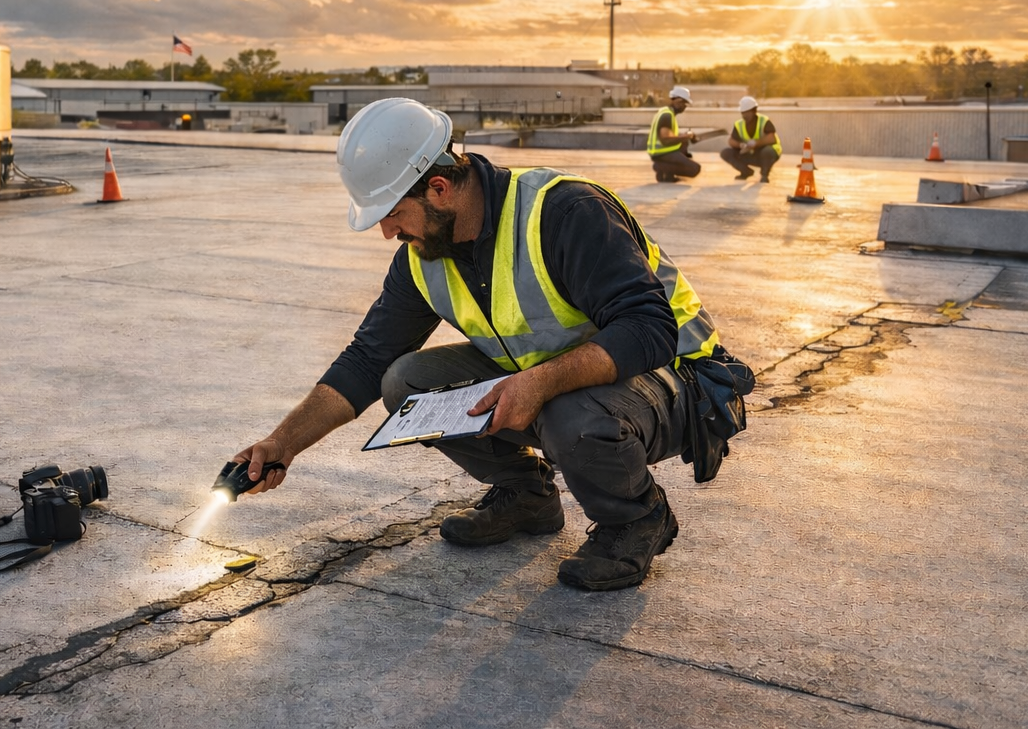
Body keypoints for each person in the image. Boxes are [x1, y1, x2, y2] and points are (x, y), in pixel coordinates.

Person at [230, 97, 735, 592]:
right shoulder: (425, 254)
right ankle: (527, 494)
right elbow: (366, 360)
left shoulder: (565, 211)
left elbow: (649, 329)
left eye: (392, 213)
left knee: (569, 413)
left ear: (440, 188)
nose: (387, 232)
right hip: (567, 378)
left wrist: (537, 383)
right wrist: (283, 444)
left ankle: (637, 517)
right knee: (406, 383)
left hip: (683, 380)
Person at [719, 96, 780, 182]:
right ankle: (746, 172)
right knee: (726, 152)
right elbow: (731, 141)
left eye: (747, 113)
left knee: (767, 151)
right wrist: (740, 145)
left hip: (765, 155)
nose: (744, 115)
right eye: (743, 113)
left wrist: (756, 143)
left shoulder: (764, 120)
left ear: (754, 111)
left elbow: (772, 138)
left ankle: (764, 175)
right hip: (749, 154)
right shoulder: (739, 124)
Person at [647, 87, 701, 183]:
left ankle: (668, 177)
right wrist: (687, 136)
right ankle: (659, 167)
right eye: (684, 103)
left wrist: (684, 136)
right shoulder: (667, 115)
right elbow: (665, 140)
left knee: (684, 143)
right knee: (694, 169)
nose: (685, 106)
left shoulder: (666, 112)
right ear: (678, 101)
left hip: (662, 151)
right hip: (661, 152)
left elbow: (669, 135)